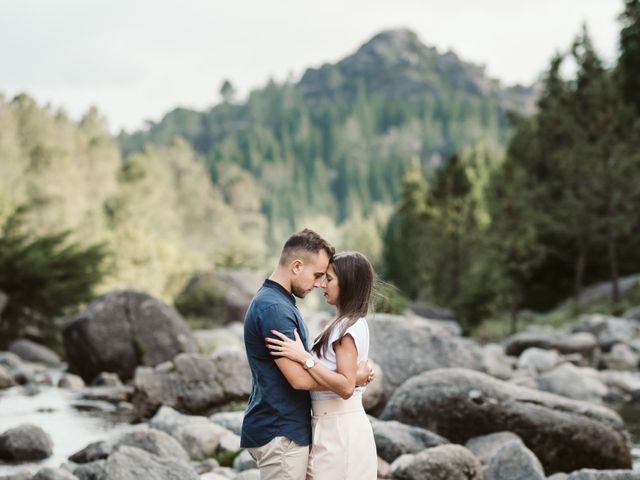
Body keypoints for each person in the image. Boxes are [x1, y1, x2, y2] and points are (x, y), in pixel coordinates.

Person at [241, 230, 373, 480]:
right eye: (317, 275)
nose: (318, 283)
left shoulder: (279, 302)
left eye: (326, 278)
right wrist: (352, 378)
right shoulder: (274, 309)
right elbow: (299, 380)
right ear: (297, 266)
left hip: (293, 429)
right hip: (281, 432)